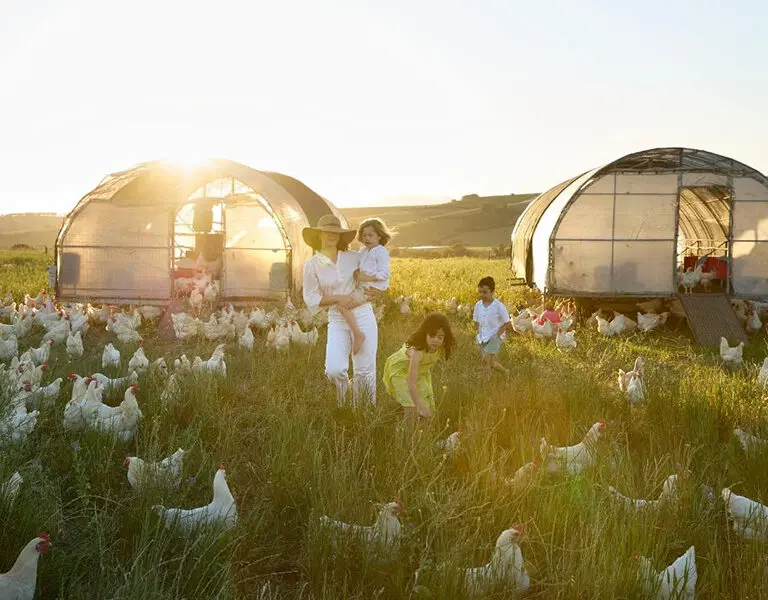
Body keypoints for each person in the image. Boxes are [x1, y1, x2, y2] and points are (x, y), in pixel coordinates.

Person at [302, 214, 381, 407]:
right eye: (327, 232)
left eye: (336, 232)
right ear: (319, 234)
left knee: (364, 369)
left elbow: (375, 278)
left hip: (362, 314)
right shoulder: (312, 264)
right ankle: (345, 399)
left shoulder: (354, 257)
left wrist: (376, 290)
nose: (332, 235)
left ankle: (364, 411)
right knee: (334, 370)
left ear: (340, 236)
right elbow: (311, 298)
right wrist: (338, 298)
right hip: (337, 318)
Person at [383, 313, 456, 421]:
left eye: (440, 337)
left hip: (419, 371)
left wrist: (423, 405)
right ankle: (405, 430)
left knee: (428, 409)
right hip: (399, 371)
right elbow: (411, 383)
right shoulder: (417, 352)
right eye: (432, 335)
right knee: (412, 407)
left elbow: (427, 365)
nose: (436, 340)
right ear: (424, 334)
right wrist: (419, 406)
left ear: (445, 338)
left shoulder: (439, 348)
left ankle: (420, 430)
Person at [339, 218, 393, 355]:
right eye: (364, 235)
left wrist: (366, 278)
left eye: (370, 235)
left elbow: (385, 273)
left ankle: (358, 335)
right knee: (344, 301)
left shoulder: (380, 251)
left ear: (379, 236)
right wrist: (357, 274)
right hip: (362, 287)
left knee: (343, 306)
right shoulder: (363, 250)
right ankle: (353, 334)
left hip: (370, 289)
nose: (366, 238)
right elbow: (357, 266)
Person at [473, 276, 512, 377]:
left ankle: (487, 378)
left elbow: (507, 323)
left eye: (485, 292)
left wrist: (497, 335)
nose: (482, 295)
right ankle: (505, 372)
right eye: (480, 292)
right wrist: (478, 334)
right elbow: (477, 322)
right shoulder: (478, 305)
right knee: (491, 362)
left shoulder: (499, 306)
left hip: (495, 337)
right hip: (483, 337)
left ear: (492, 291)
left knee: (486, 359)